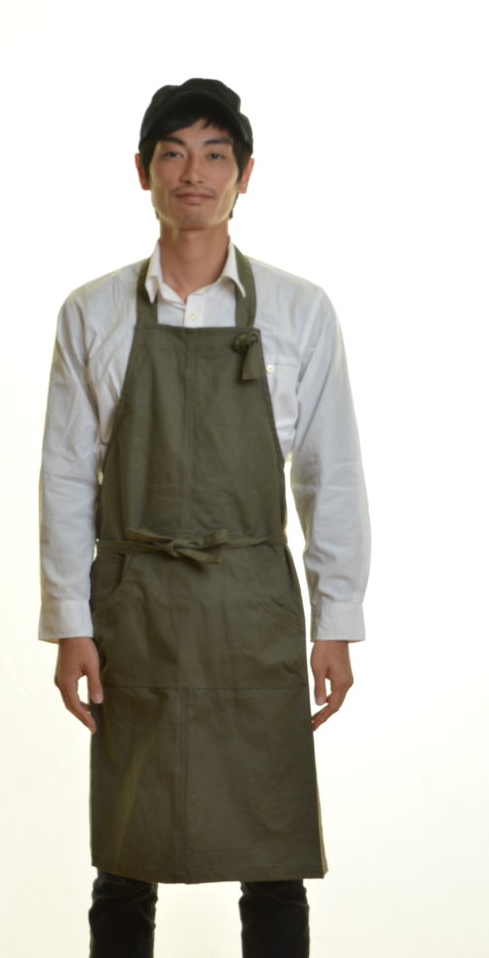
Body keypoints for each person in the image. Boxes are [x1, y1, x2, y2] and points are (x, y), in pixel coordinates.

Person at [39, 78, 370, 958]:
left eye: (215, 154)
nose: (195, 173)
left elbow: (329, 473)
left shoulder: (299, 311)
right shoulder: (92, 311)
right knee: (127, 853)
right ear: (142, 171)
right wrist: (70, 624)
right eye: (174, 153)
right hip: (135, 606)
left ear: (244, 174)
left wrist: (336, 620)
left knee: (273, 853)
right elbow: (66, 477)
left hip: (252, 606)